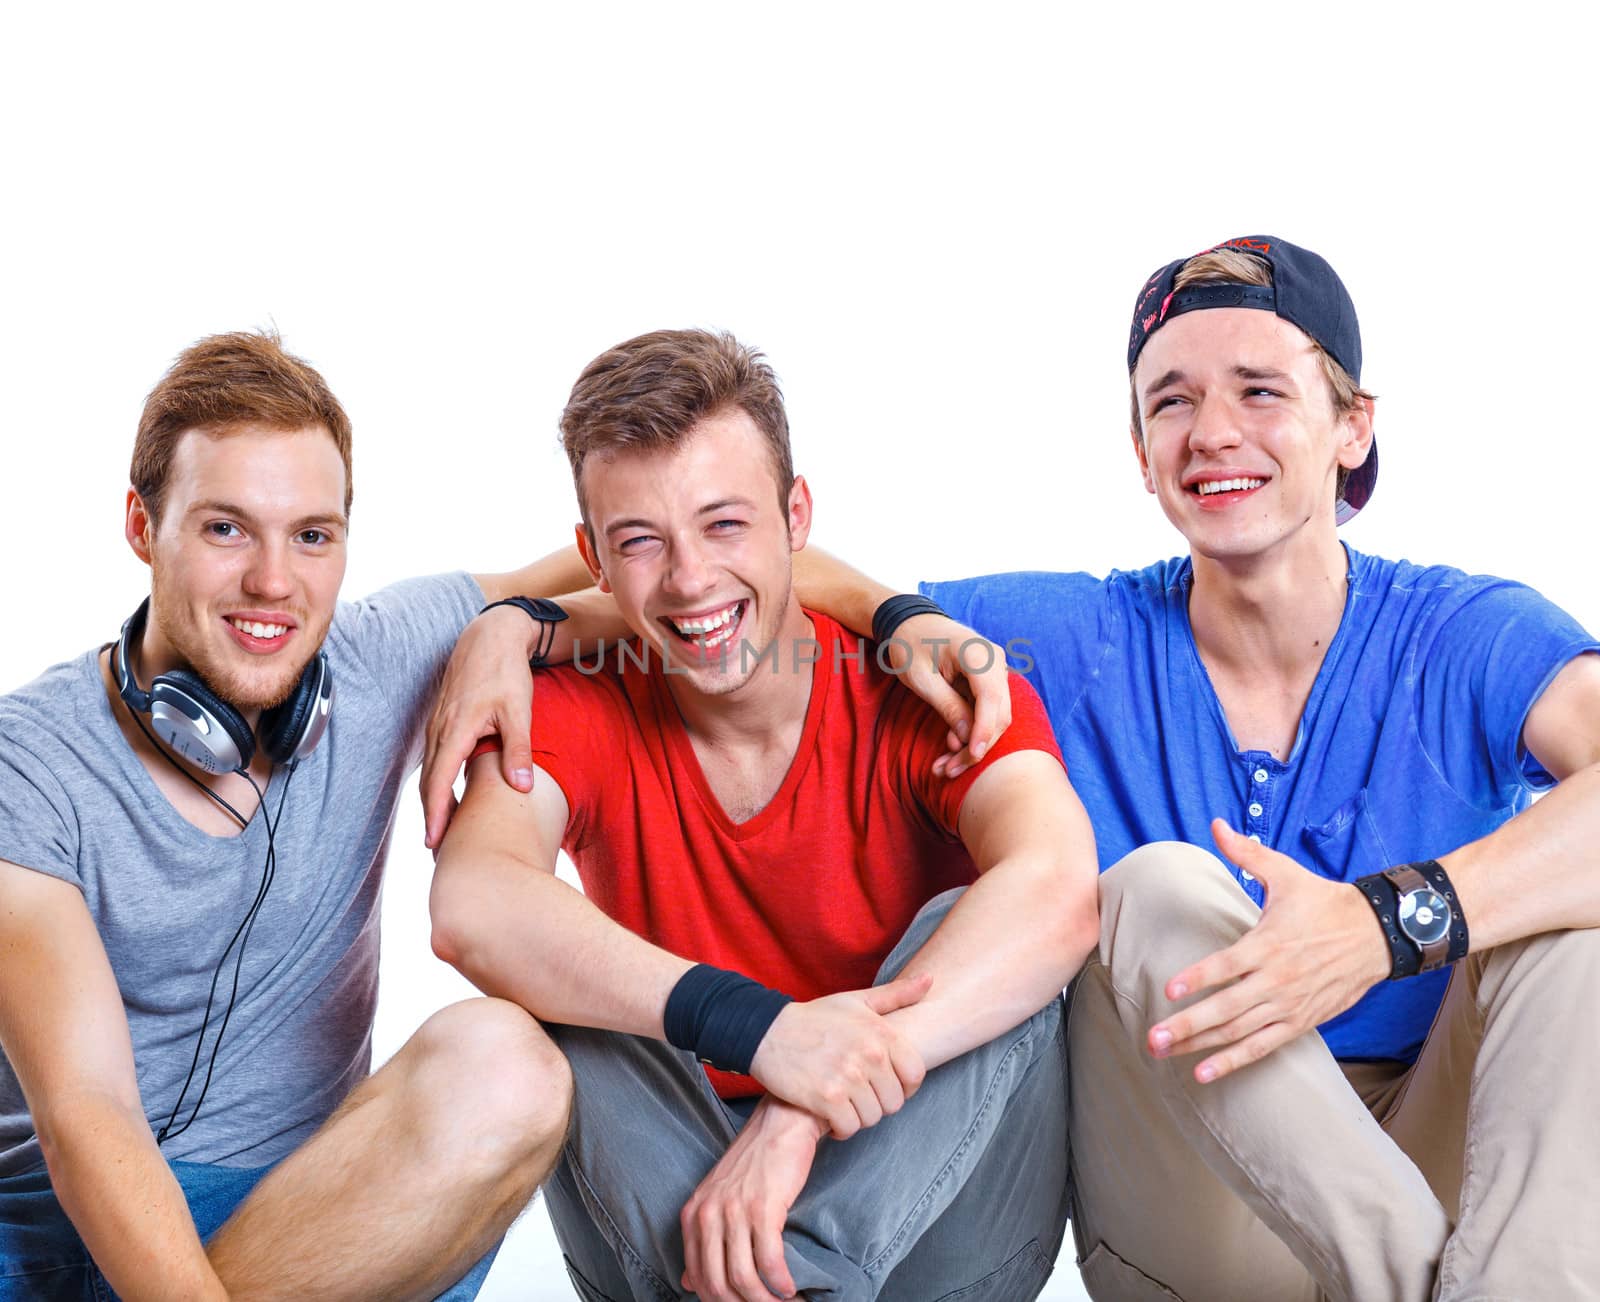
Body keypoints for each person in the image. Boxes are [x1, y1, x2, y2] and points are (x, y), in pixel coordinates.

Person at [782, 235, 1600, 1300]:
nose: (1211, 432)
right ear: (1138, 447)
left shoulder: (1461, 634)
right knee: (1151, 886)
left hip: (1448, 1180)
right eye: (1170, 401)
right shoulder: (1069, 637)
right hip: (1197, 1202)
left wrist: (1381, 926)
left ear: (1351, 427)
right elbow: (734, 578)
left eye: (1259, 390)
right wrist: (518, 620)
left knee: (1575, 930)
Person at [429, 328, 1098, 1302]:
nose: (691, 579)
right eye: (640, 542)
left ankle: (807, 1274)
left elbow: (1059, 890)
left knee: (984, 930)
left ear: (797, 516)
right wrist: (762, 1030)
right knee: (553, 974)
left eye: (723, 525)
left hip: (934, 1212)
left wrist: (803, 1110)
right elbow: (474, 906)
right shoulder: (573, 705)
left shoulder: (939, 685)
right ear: (592, 562)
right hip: (683, 1212)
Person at [0, 332, 587, 1301]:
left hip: (301, 1219)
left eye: (312, 535)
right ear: (143, 527)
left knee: (509, 1066)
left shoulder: (376, 658)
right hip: (56, 1223)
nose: (275, 582)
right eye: (227, 529)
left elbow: (678, 569)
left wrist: (510, 626)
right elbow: (87, 1114)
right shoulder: (29, 759)